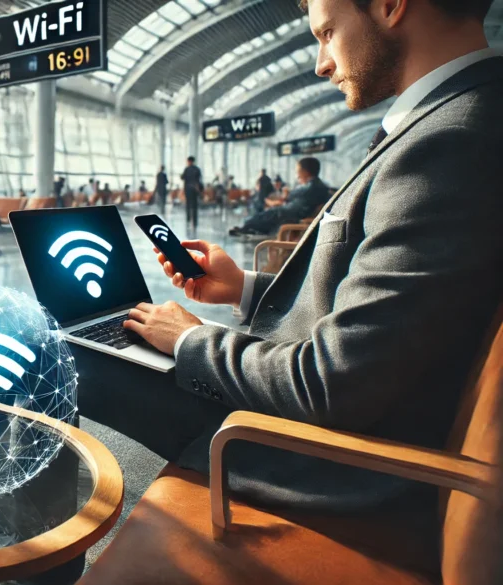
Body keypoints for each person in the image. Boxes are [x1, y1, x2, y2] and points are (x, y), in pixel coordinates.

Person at [115, 0, 502, 529]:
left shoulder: (449, 142)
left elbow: (331, 383)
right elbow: (393, 314)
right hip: (335, 423)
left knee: (59, 360)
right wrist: (245, 288)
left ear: (390, 7)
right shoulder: (459, 116)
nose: (321, 63)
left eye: (327, 32)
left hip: (325, 460)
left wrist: (189, 339)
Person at [229, 157, 329, 236]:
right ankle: (248, 228)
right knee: (268, 213)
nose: (297, 175)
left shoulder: (311, 186)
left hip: (291, 213)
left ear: (305, 171)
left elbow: (290, 196)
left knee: (269, 213)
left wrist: (287, 194)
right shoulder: (319, 185)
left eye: (298, 171)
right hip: (294, 211)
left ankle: (247, 227)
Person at [180, 157, 203, 228]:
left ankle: (188, 219)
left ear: (189, 161)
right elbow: (199, 179)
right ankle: (195, 221)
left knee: (188, 205)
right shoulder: (197, 169)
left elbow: (182, 177)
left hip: (188, 189)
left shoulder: (187, 169)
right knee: (195, 205)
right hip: (195, 189)